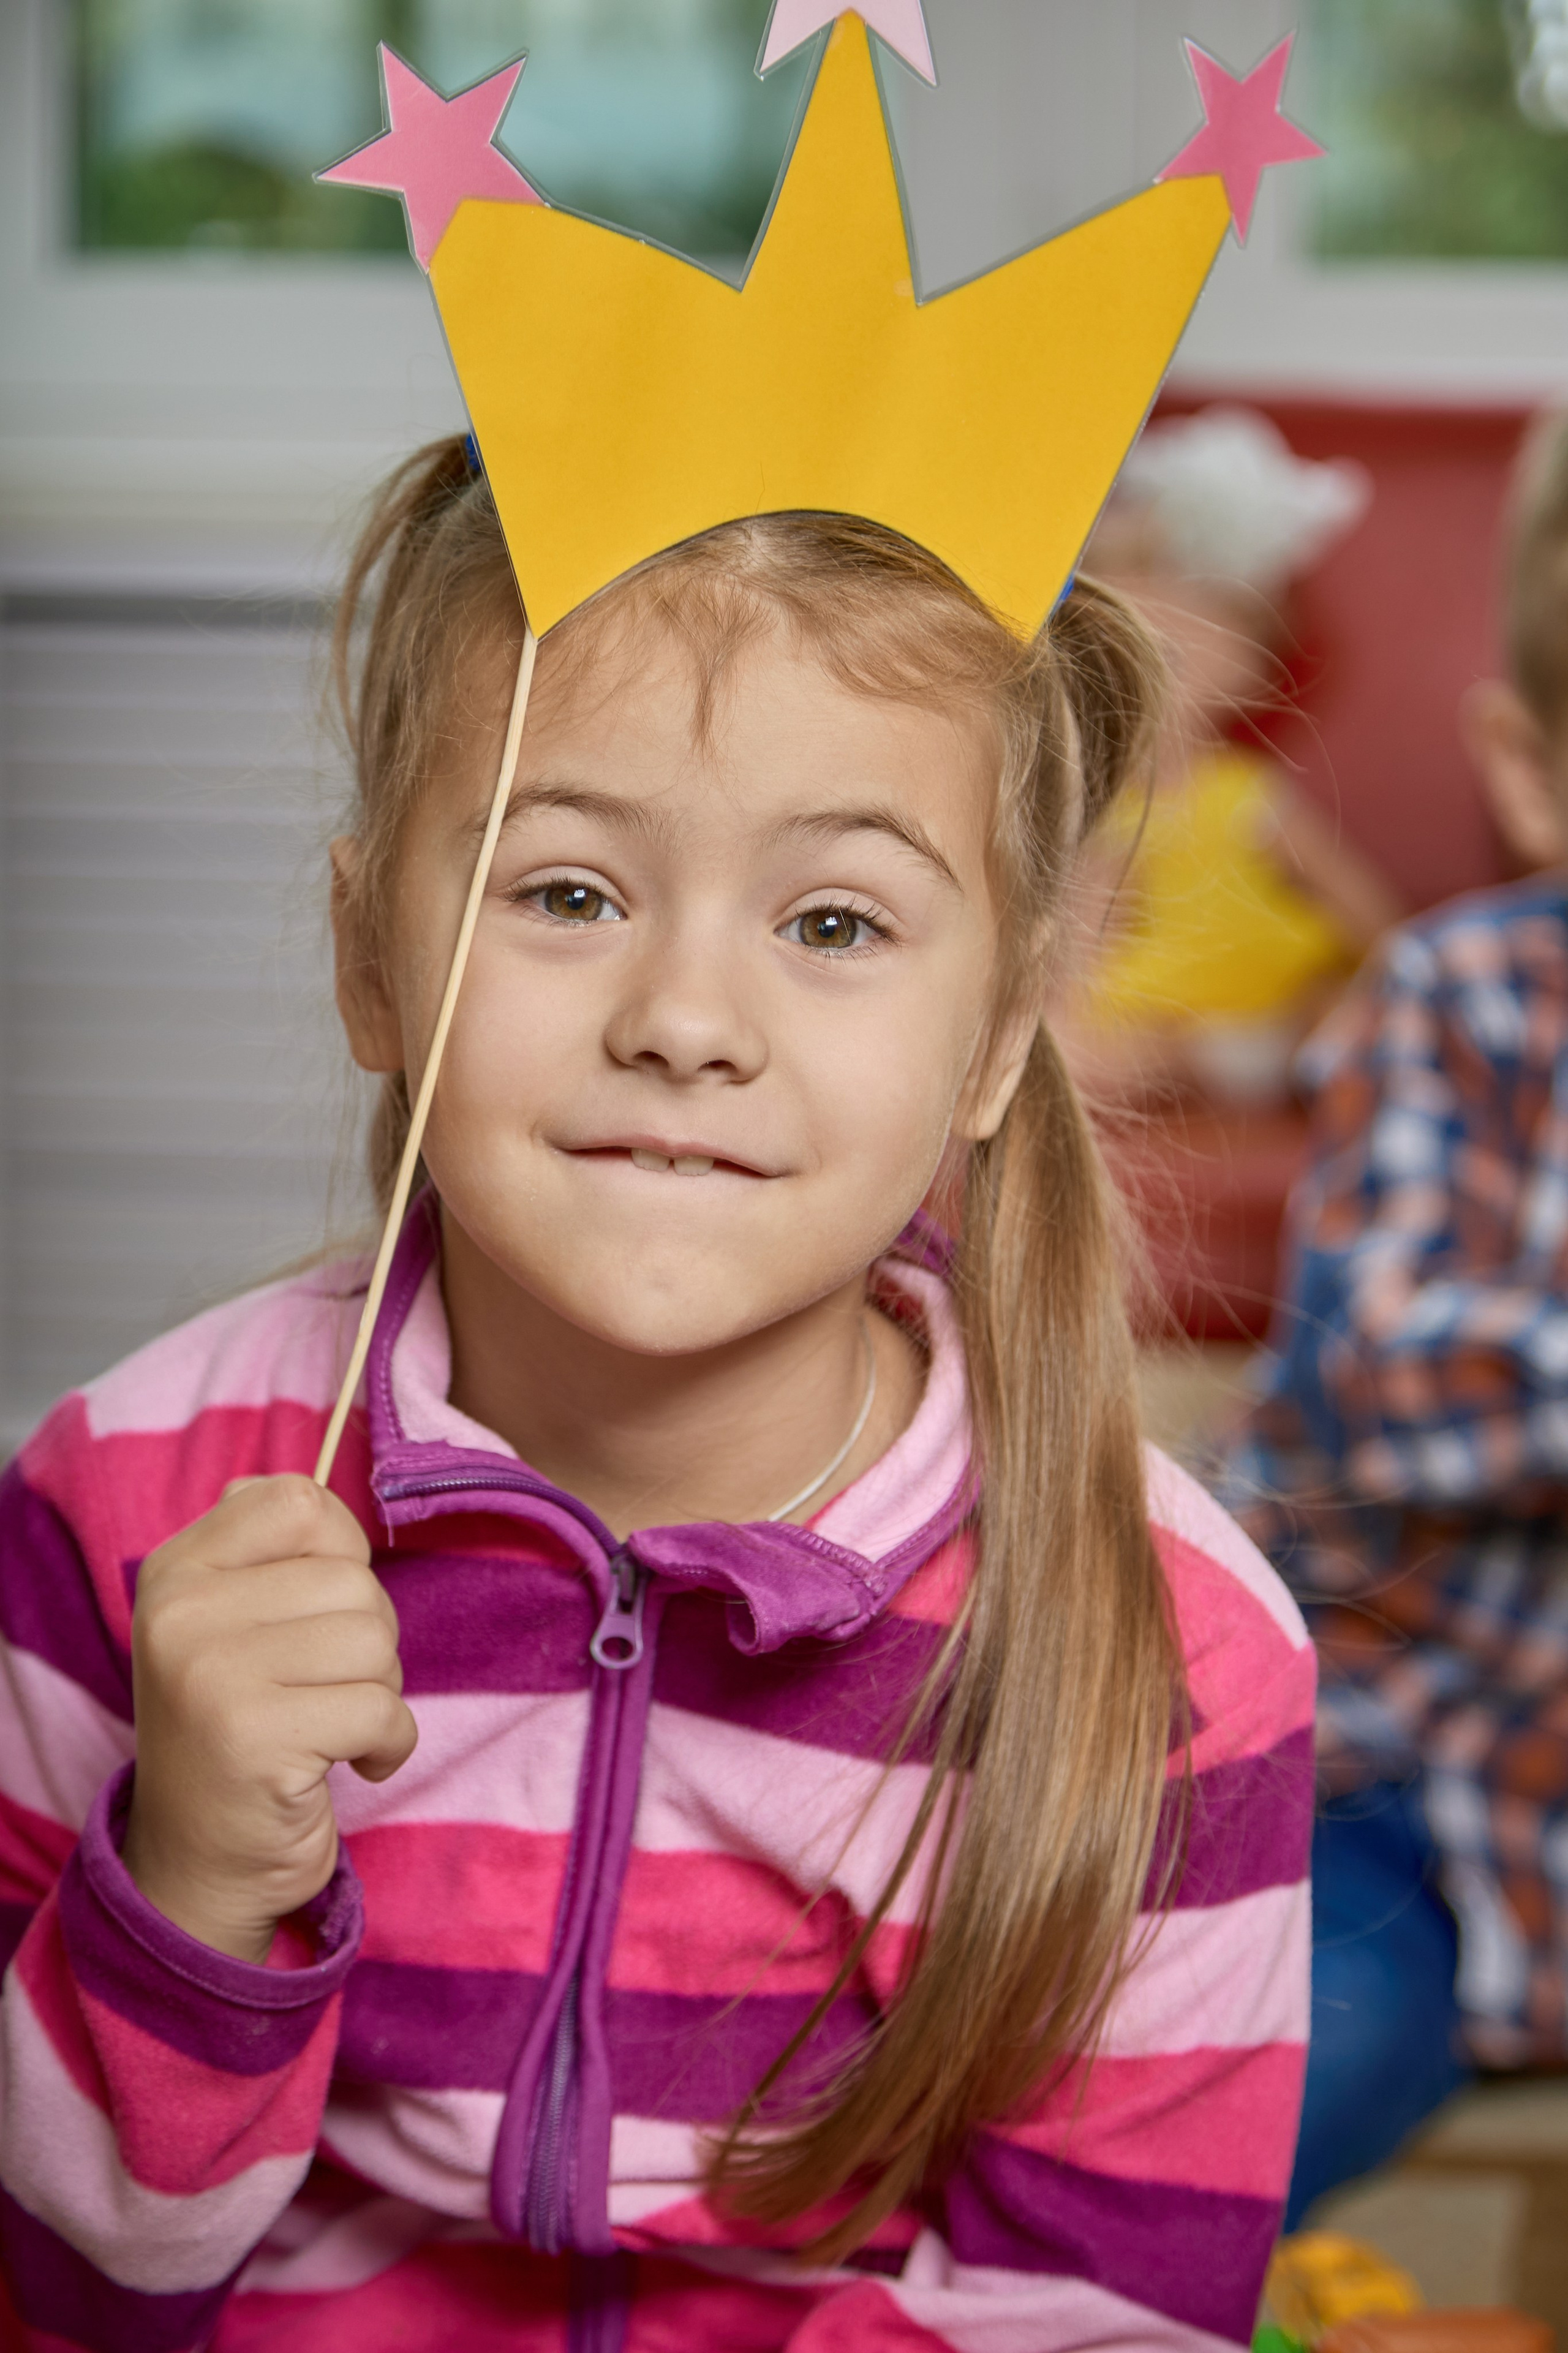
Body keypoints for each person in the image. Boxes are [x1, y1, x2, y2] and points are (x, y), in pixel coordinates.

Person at [0, 443, 1314, 2351]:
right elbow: (67, 2283)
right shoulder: (119, 1499)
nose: (686, 1018)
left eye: (834, 922)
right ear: (376, 957)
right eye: (566, 889)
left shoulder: (1167, 1653)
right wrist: (189, 1882)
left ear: (999, 1034)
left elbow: (1092, 2312)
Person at [1226, 410, 1568, 2228]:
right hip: (1390, 1793)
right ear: (1537, 773)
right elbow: (1395, 1380)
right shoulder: (1459, 1000)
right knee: (1248, 2091)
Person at [1063, 406, 1402, 1106]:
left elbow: (1365, 910)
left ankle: (1277, 1056)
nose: (1141, 686)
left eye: (1173, 657)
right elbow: (1057, 957)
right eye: (1115, 656)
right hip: (1152, 1013)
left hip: (1270, 992)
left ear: (1245, 670)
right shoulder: (1075, 802)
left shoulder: (1245, 796)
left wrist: (1396, 977)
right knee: (1058, 1045)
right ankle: (1223, 1064)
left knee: (1341, 1012)